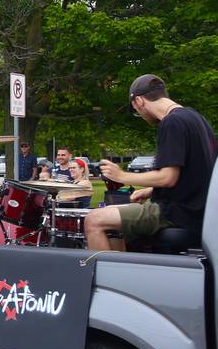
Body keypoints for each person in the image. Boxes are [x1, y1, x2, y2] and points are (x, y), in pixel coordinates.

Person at [85, 74, 217, 251]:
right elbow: (195, 175)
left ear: (139, 101)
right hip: (198, 212)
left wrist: (122, 175)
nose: (140, 114)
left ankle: (107, 278)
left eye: (135, 110)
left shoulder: (172, 122)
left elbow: (168, 177)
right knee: (116, 221)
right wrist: (151, 190)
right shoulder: (197, 119)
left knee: (93, 220)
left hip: (177, 213)